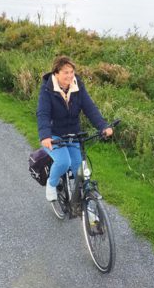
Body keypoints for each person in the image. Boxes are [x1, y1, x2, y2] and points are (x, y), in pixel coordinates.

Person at [36, 55, 113, 218]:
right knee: (64, 162)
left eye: (72, 72)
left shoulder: (77, 86)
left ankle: (86, 207)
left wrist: (103, 126)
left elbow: (90, 108)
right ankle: (52, 184)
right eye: (66, 72)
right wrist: (45, 135)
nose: (70, 76)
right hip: (54, 134)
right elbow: (42, 113)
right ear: (56, 73)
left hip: (73, 134)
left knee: (79, 170)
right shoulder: (47, 89)